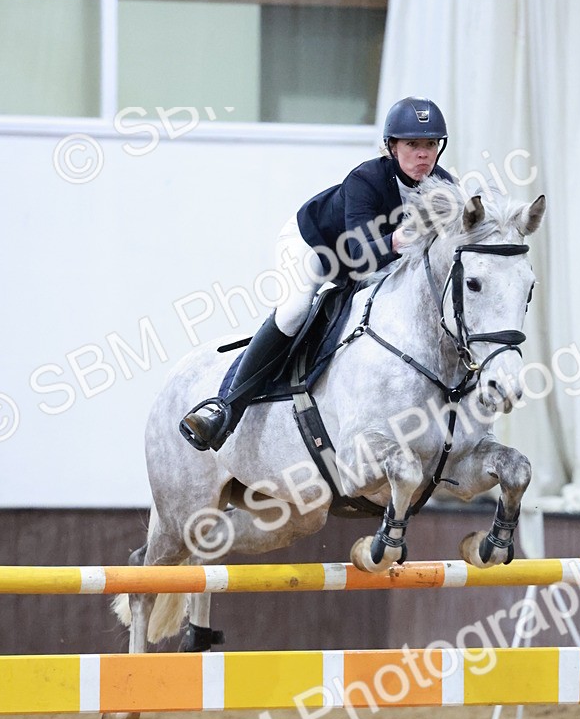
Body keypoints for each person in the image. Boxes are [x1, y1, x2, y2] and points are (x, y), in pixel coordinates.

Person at [180, 96, 455, 452]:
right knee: (294, 311)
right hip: (315, 247)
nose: (423, 154)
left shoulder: (445, 187)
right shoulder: (365, 179)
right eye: (412, 144)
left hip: (377, 263)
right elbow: (358, 256)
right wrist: (401, 237)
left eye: (430, 144)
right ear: (391, 146)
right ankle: (224, 408)